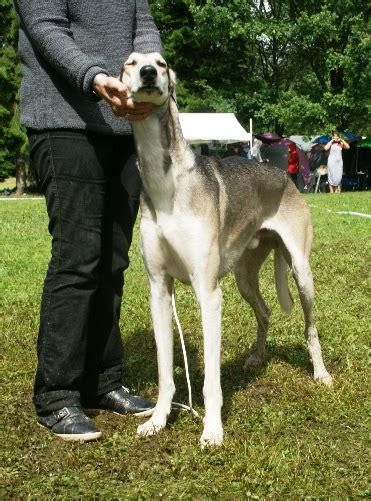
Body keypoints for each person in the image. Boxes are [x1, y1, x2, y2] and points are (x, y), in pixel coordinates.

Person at [14, 0, 163, 442]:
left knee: (113, 260)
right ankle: (57, 395)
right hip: (64, 121)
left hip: (124, 124)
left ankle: (103, 381)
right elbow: (46, 27)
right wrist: (98, 78)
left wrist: (145, 76)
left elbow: (145, 28)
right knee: (77, 258)